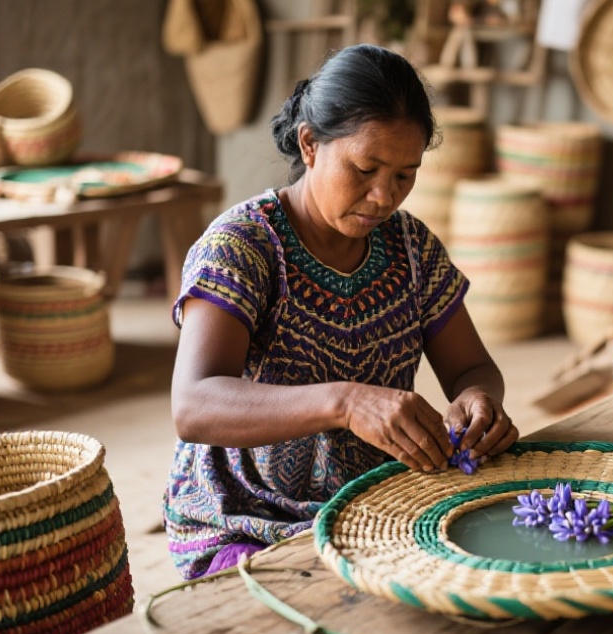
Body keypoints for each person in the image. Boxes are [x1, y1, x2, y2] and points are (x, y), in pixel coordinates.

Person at [164, 44, 519, 580]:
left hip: (378, 503)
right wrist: (346, 402)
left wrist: (477, 401)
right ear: (310, 144)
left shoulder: (412, 249)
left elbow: (472, 368)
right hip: (249, 517)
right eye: (364, 168)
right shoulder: (243, 246)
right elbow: (194, 406)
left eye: (404, 175)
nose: (383, 196)